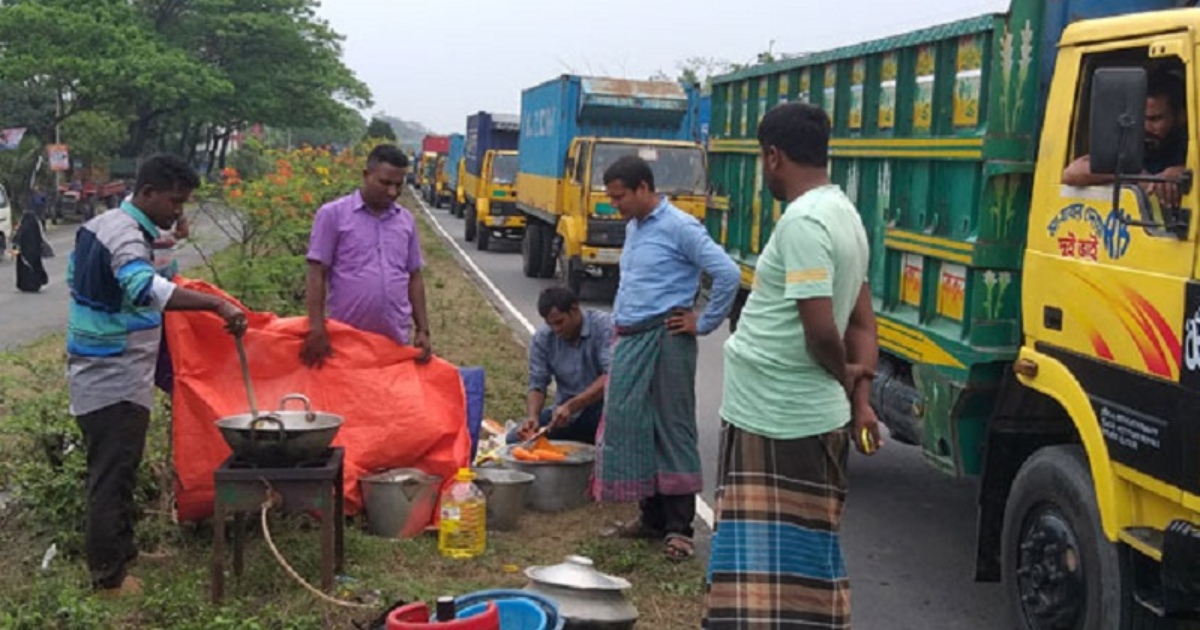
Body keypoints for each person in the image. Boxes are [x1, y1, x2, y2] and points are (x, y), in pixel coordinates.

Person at [703, 103, 879, 630]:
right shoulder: (845, 214)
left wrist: (844, 379)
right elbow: (863, 325)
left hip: (776, 418)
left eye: (763, 159)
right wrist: (860, 401)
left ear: (774, 157)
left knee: (763, 573)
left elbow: (822, 330)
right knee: (803, 560)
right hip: (796, 416)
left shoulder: (803, 221)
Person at [68, 154, 248, 596]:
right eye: (174, 202)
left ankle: (124, 551)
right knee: (112, 475)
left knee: (123, 467)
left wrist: (168, 235)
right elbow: (145, 287)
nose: (178, 211)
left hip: (116, 366)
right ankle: (108, 577)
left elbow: (137, 275)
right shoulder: (126, 236)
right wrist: (216, 305)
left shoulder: (109, 225)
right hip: (110, 373)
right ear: (147, 193)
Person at [593, 155, 740, 561]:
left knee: (672, 427)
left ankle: (679, 528)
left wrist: (703, 322)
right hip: (632, 337)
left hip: (666, 338)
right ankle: (651, 517)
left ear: (643, 188)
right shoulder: (635, 226)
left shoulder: (680, 227)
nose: (614, 205)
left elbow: (727, 273)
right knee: (635, 425)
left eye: (619, 197)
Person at [302, 144, 431, 367]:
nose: (392, 192)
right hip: (346, 341)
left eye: (398, 185)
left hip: (394, 342)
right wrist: (316, 328)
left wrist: (423, 330)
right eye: (385, 183)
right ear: (366, 175)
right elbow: (317, 273)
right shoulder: (333, 215)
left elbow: (414, 277)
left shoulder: (406, 221)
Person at [1063, 69, 1188, 206]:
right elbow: (1073, 173)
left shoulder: (1189, 144)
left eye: (1154, 119)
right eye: (1140, 118)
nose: (1145, 127)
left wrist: (1183, 172)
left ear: (1180, 117)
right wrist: (1139, 177)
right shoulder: (1129, 139)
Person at [510, 286, 613, 445]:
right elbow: (537, 382)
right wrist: (533, 417)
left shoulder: (604, 327)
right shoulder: (543, 338)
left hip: (602, 411)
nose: (556, 329)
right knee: (514, 440)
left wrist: (572, 406)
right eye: (550, 324)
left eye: (559, 322)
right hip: (565, 415)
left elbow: (611, 376)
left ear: (574, 310)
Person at [13, 210, 48, 292]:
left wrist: (16, 249)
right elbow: (40, 239)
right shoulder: (35, 227)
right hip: (34, 252)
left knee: (25, 270)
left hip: (24, 253)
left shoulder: (23, 227)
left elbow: (18, 239)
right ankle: (35, 283)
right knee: (34, 268)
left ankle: (25, 285)